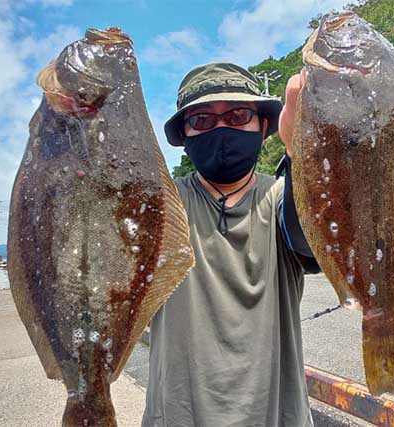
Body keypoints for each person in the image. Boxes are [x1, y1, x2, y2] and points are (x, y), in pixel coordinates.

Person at [142, 63, 318, 427]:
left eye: (238, 115)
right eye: (203, 120)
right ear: (186, 137)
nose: (221, 128)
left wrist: (303, 154)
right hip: (177, 416)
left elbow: (311, 242)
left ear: (263, 125)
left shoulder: (284, 196)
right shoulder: (160, 206)